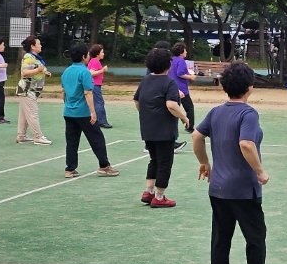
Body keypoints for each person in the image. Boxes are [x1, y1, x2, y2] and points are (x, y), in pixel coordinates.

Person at [193, 61, 280, 264]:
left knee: (221, 238)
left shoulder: (216, 112)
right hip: (243, 189)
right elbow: (246, 144)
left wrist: (204, 162)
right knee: (255, 237)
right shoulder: (248, 113)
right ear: (250, 87)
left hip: (218, 188)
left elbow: (197, 135)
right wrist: (260, 171)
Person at [133, 47, 187, 208]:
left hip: (147, 128)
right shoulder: (169, 82)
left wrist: (147, 113)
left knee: (154, 160)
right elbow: (171, 105)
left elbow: (137, 101)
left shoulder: (145, 80)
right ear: (168, 64)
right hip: (164, 130)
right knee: (165, 162)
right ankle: (159, 196)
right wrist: (184, 117)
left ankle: (148, 191)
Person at [60, 44, 120, 179]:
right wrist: (93, 112)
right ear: (83, 56)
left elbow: (64, 92)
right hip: (83, 112)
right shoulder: (85, 72)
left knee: (72, 141)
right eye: (87, 54)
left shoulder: (66, 72)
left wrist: (68, 105)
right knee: (97, 138)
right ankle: (104, 166)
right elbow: (88, 93)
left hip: (69, 112)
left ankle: (70, 169)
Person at [14, 35, 52, 146]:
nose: (41, 46)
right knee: (33, 113)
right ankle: (38, 137)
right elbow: (25, 72)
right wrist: (38, 70)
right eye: (38, 44)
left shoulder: (35, 57)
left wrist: (44, 72)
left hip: (30, 90)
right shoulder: (29, 57)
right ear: (32, 46)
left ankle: (21, 136)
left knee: (24, 115)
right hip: (27, 90)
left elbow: (36, 69)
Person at [169, 42, 198, 131]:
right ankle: (189, 126)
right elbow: (180, 73)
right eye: (185, 50)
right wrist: (191, 77)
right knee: (189, 108)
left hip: (171, 86)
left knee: (173, 107)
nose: (186, 52)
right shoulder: (181, 61)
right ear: (181, 52)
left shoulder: (171, 60)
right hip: (181, 88)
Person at [88, 43, 112, 129]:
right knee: (99, 102)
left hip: (95, 85)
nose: (103, 54)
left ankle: (96, 120)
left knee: (96, 102)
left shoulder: (93, 61)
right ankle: (101, 121)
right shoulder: (95, 61)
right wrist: (102, 70)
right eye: (102, 52)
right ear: (97, 53)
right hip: (95, 85)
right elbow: (91, 73)